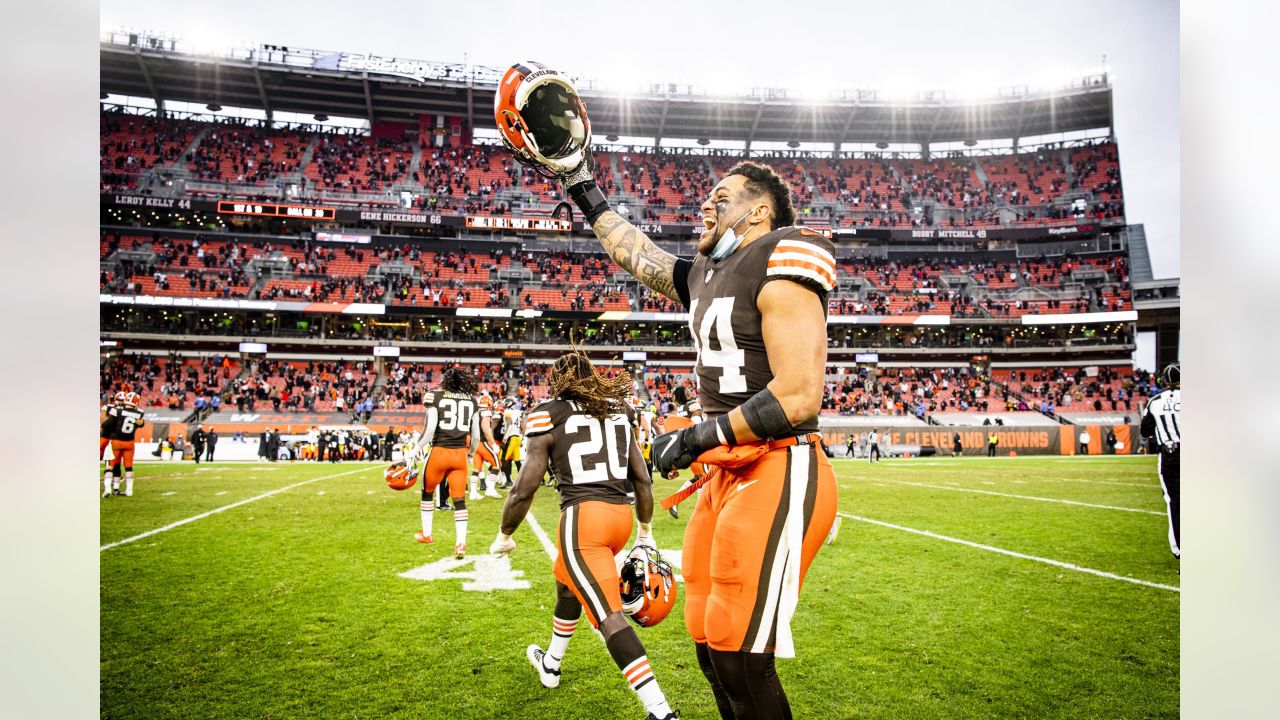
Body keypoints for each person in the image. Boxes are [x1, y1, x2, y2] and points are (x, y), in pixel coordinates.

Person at [557, 151, 837, 718]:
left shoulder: (782, 253)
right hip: (724, 471)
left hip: (779, 463)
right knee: (709, 645)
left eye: (724, 195)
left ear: (760, 212)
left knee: (742, 654)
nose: (708, 202)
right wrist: (580, 183)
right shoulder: (707, 271)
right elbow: (636, 253)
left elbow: (800, 393)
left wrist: (695, 438)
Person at [490, 351, 678, 720]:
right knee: (566, 582)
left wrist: (504, 534)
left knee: (609, 617)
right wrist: (645, 533)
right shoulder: (619, 410)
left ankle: (660, 711)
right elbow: (642, 479)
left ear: (559, 381)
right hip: (620, 517)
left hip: (583, 521)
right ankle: (552, 663)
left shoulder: (549, 412)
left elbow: (523, 489)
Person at [402, 367, 481, 558]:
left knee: (427, 493)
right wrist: (470, 454)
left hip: (439, 452)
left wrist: (414, 450)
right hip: (459, 456)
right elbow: (476, 436)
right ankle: (461, 544)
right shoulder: (472, 400)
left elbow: (429, 431)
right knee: (459, 501)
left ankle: (427, 534)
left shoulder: (435, 397)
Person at [1141, 362, 1180, 559]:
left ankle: (1180, 549)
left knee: (1175, 501)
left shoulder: (1155, 401)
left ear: (1164, 381)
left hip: (1169, 454)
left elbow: (1145, 430)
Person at [102, 391, 146, 497]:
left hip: (116, 441)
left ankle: (108, 488)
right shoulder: (139, 413)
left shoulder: (117, 410)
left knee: (110, 466)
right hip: (130, 443)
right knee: (129, 467)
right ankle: (129, 490)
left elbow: (105, 424)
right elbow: (141, 424)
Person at [469, 390, 503, 500]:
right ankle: (490, 489)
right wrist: (493, 444)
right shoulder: (486, 413)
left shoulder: (475, 413)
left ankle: (473, 492)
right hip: (482, 442)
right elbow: (486, 429)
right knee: (497, 464)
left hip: (474, 444)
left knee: (477, 468)